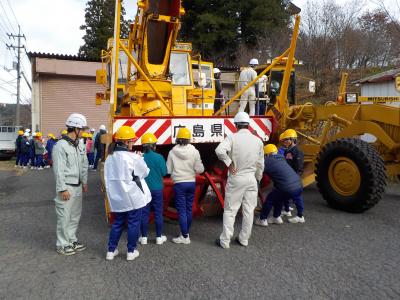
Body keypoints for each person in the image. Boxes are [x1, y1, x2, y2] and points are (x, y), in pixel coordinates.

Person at [215, 112, 264, 249]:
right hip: (251, 178)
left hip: (237, 177)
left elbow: (219, 150)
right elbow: (260, 164)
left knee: (231, 210)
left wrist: (229, 163)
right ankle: (244, 239)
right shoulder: (258, 140)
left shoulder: (232, 137)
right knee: (249, 210)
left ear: (236, 125)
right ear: (248, 125)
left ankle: (225, 241)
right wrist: (258, 179)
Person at [104, 126, 151, 261]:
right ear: (126, 142)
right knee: (133, 223)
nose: (132, 143)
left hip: (116, 197)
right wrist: (140, 158)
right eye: (131, 141)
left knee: (117, 223)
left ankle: (111, 251)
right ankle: (131, 251)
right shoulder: (133, 157)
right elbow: (145, 172)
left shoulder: (109, 158)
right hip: (132, 197)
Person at [52, 113, 89, 256]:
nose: (83, 131)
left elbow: (84, 164)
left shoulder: (80, 144)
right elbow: (59, 170)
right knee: (64, 216)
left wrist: (84, 182)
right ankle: (62, 244)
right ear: (75, 128)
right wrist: (62, 189)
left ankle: (71, 240)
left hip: (78, 185)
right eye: (82, 129)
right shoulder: (60, 146)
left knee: (74, 216)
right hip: (67, 186)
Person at [167, 127, 204, 244]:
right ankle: (185, 233)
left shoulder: (172, 152)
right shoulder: (195, 151)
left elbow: (168, 170)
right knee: (189, 209)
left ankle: (184, 236)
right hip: (191, 183)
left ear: (178, 139)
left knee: (181, 210)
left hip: (179, 184)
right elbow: (200, 169)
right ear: (189, 139)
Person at [254, 144, 305, 227]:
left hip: (286, 187)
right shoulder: (282, 158)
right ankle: (276, 217)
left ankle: (262, 219)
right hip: (298, 184)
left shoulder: (267, 162)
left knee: (270, 199)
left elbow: (257, 172)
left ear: (267, 154)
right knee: (279, 198)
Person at [138, 132, 168, 245]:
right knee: (158, 213)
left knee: (144, 213)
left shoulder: (140, 158)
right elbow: (164, 172)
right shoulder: (159, 157)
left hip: (144, 190)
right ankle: (159, 237)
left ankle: (144, 237)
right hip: (157, 189)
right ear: (153, 146)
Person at [279, 129, 304, 218]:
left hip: (294, 178)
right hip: (287, 176)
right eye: (284, 140)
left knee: (296, 197)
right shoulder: (287, 151)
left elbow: (299, 168)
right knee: (285, 194)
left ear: (293, 140)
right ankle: (286, 210)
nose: (285, 141)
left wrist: (296, 178)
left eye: (286, 139)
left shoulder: (297, 152)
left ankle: (300, 216)